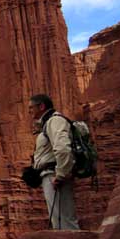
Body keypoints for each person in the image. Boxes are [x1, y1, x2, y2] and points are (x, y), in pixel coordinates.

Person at [29, 94, 80, 230]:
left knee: (63, 220)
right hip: (52, 175)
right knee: (61, 219)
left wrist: (61, 174)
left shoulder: (54, 121)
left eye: (31, 108)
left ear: (41, 106)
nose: (30, 112)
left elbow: (62, 148)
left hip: (54, 176)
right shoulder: (48, 122)